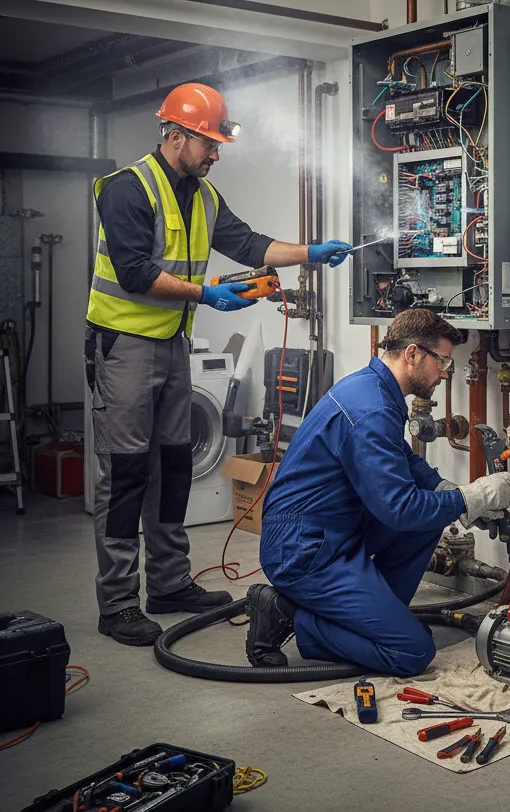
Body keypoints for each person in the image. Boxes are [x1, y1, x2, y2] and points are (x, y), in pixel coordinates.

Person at [87, 81, 352, 648]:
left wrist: (310, 253)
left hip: (172, 345)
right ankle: (116, 604)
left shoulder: (204, 196)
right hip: (124, 347)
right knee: (127, 473)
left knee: (174, 466)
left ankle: (168, 584)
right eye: (207, 142)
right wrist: (206, 296)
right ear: (174, 135)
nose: (215, 153)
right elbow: (134, 273)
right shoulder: (126, 189)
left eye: (217, 142)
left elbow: (250, 244)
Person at [245, 309, 510, 677]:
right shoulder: (372, 409)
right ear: (413, 354)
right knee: (412, 653)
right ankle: (291, 615)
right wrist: (471, 499)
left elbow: (402, 457)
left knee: (427, 523)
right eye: (443, 360)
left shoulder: (373, 388)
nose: (445, 372)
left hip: (331, 531)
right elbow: (400, 510)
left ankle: (374, 621)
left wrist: (446, 489)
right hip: (304, 550)